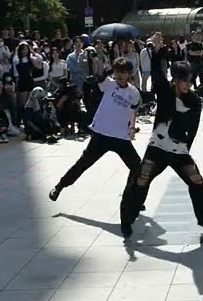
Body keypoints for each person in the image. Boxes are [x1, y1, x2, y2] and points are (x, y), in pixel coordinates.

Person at [122, 62, 203, 238]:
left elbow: (193, 129)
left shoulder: (194, 101)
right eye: (184, 80)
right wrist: (159, 53)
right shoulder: (165, 92)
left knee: (197, 182)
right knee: (142, 180)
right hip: (157, 147)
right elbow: (156, 71)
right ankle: (127, 218)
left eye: (189, 81)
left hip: (179, 151)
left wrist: (186, 148)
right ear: (176, 79)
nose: (187, 84)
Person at [49, 58, 145, 220]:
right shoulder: (109, 84)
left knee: (137, 166)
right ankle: (60, 186)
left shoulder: (134, 93)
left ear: (130, 74)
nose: (120, 75)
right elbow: (99, 77)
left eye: (123, 72)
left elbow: (133, 111)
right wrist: (104, 67)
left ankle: (132, 198)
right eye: (118, 71)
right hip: (101, 134)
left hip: (120, 137)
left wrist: (132, 127)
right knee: (83, 163)